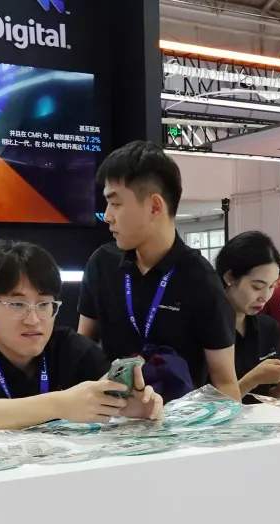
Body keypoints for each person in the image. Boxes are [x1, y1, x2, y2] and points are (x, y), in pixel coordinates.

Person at [0, 240, 163, 436]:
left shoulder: (69, 346)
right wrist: (60, 404)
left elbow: (106, 390)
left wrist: (130, 407)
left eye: (44, 304)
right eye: (17, 304)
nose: (33, 319)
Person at [79, 141, 242, 402]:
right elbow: (82, 352)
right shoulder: (102, 264)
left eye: (116, 204)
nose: (107, 216)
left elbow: (224, 382)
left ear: (155, 206)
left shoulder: (201, 281)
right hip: (110, 424)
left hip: (178, 430)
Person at [217, 232, 280, 400]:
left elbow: (272, 397)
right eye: (256, 287)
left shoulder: (268, 327)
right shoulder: (203, 330)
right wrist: (253, 379)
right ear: (229, 277)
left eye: (271, 287)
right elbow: (201, 409)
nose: (265, 296)